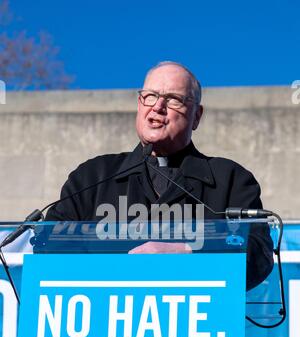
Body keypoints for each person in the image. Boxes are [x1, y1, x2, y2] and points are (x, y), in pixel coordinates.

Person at [45, 61, 273, 289]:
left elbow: (257, 253)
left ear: (196, 116)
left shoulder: (231, 180)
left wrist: (189, 254)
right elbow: (49, 246)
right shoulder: (91, 177)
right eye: (150, 96)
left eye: (174, 99)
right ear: (139, 104)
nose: (158, 107)